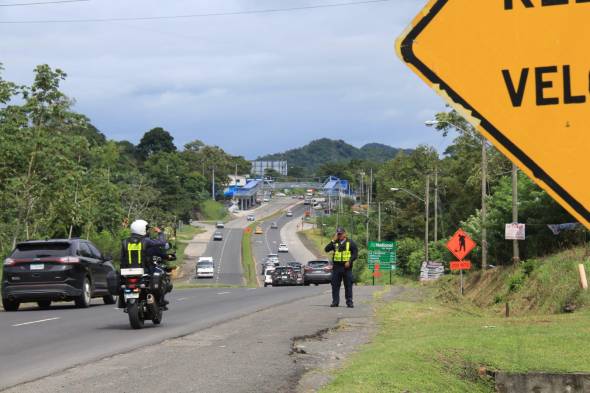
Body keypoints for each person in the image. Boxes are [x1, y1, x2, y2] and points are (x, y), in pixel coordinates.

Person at [119, 219, 170, 309]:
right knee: (160, 275)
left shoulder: (125, 242)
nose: (147, 231)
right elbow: (161, 242)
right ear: (142, 230)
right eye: (146, 229)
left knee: (122, 283)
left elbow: (121, 258)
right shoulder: (145, 241)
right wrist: (160, 233)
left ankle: (122, 302)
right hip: (145, 270)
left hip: (127, 272)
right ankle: (160, 300)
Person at [324, 227, 358, 308]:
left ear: (344, 234)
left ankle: (349, 302)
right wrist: (333, 240)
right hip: (336, 267)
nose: (339, 235)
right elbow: (326, 249)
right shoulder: (335, 243)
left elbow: (355, 254)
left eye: (341, 234)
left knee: (348, 285)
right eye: (338, 234)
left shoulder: (351, 243)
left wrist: (349, 261)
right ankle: (335, 302)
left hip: (347, 268)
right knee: (335, 285)